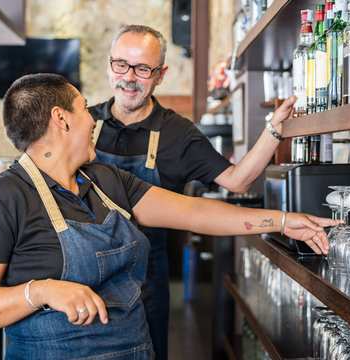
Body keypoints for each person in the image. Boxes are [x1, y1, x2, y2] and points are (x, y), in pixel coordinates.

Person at [0, 73, 337, 360]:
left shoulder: (104, 179)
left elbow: (194, 212)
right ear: (62, 119)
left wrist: (283, 221)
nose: (93, 122)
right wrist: (42, 290)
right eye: (85, 109)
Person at [88, 25, 297, 359]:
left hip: (146, 282)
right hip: (84, 279)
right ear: (109, 64)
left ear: (160, 75)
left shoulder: (178, 133)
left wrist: (273, 129)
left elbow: (238, 181)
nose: (129, 77)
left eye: (143, 69)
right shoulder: (83, 124)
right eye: (121, 64)